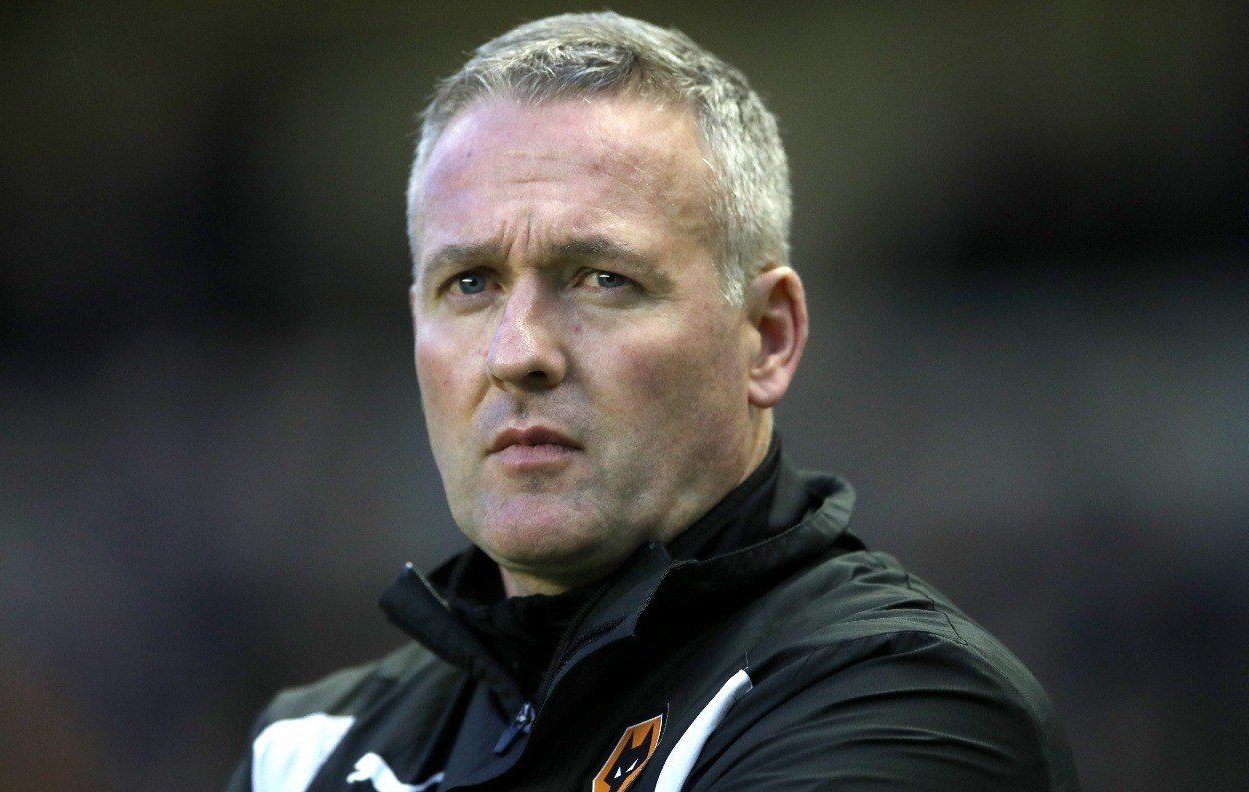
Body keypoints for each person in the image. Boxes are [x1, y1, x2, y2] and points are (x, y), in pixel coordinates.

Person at [226, 12, 1079, 792]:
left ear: (767, 337)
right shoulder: (303, 754)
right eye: (472, 283)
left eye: (602, 278)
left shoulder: (906, 705)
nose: (517, 353)